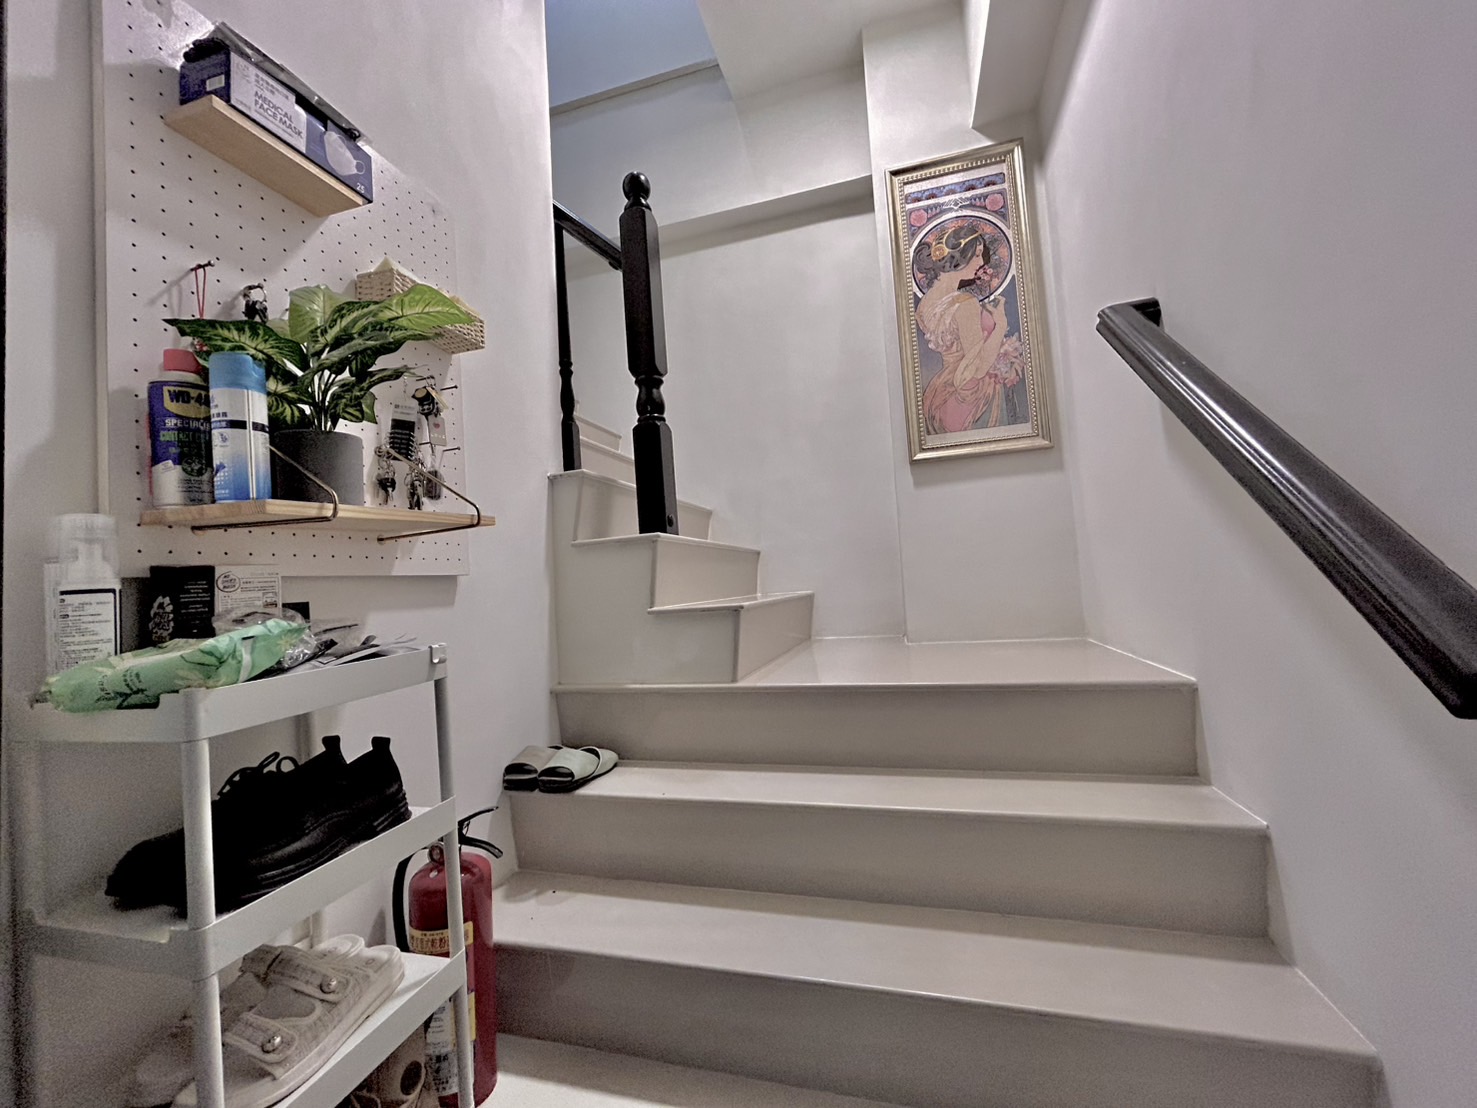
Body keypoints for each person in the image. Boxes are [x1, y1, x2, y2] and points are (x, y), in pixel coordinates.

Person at [916, 242, 1021, 435]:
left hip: (941, 391)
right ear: (958, 256)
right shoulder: (965, 303)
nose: (981, 263)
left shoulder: (924, 304)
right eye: (977, 255)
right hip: (972, 393)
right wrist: (1000, 326)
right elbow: (978, 368)